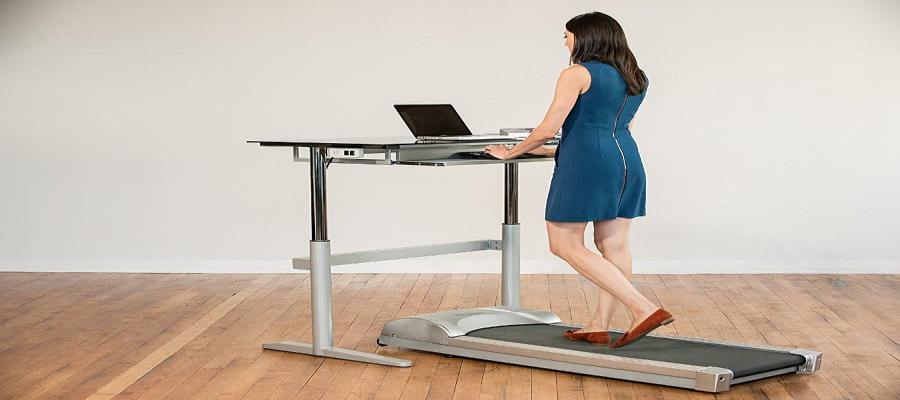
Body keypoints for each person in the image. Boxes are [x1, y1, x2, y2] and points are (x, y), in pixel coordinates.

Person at [484, 11, 672, 349]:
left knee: (563, 243)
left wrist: (511, 152)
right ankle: (599, 325)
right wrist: (547, 151)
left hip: (587, 164)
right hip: (626, 161)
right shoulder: (637, 76)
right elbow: (613, 128)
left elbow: (548, 129)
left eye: (567, 35)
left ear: (586, 37)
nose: (565, 42)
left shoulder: (576, 73)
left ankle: (643, 308)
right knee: (614, 245)